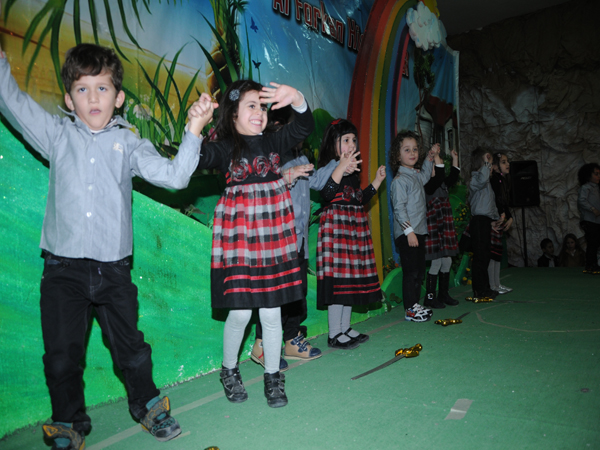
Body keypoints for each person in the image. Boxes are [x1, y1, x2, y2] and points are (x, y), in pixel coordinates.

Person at [0, 42, 213, 448]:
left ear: (118, 98)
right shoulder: (57, 135)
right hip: (62, 270)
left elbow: (175, 177)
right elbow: (12, 101)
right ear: (68, 99)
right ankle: (67, 422)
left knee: (131, 349)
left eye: (102, 88)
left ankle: (147, 405)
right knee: (61, 355)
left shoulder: (129, 143)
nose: (93, 97)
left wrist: (194, 130)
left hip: (113, 271)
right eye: (82, 89)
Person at [187, 80, 314, 408]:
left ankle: (273, 377)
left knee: (271, 312)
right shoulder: (225, 149)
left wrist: (297, 97)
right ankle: (229, 369)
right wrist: (194, 126)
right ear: (233, 115)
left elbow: (304, 125)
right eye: (251, 106)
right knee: (241, 312)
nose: (259, 112)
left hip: (273, 240)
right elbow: (195, 158)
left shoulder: (274, 141)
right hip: (241, 241)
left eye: (262, 106)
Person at [251, 107, 359, 366]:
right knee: (274, 293)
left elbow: (318, 181)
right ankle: (262, 344)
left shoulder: (299, 157)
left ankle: (291, 339)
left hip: (297, 240)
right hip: (277, 240)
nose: (300, 136)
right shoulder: (268, 157)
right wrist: (283, 177)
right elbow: (258, 188)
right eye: (295, 130)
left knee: (295, 294)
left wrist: (339, 164)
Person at [316, 119, 385, 348]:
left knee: (348, 282)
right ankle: (334, 333)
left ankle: (344, 328)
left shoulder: (353, 173)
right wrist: (340, 167)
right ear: (332, 144)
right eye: (345, 139)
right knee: (338, 283)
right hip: (337, 231)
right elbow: (327, 193)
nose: (351, 144)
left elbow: (360, 199)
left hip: (352, 231)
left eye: (353, 140)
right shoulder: (330, 168)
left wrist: (377, 181)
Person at [389, 130, 437, 322]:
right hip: (407, 233)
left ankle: (415, 305)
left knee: (419, 271)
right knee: (411, 272)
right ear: (397, 155)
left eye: (415, 149)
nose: (412, 153)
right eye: (407, 150)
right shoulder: (400, 181)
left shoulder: (415, 175)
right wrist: (409, 232)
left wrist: (430, 158)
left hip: (418, 232)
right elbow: (399, 208)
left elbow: (425, 176)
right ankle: (410, 309)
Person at [423, 148, 461, 309]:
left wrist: (454, 159)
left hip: (444, 229)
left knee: (447, 261)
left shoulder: (443, 184)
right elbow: (438, 176)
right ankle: (429, 297)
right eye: (435, 165)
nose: (439, 167)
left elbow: (453, 176)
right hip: (434, 229)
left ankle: (443, 294)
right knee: (436, 262)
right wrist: (435, 156)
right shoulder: (428, 186)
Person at [468, 148, 503, 299]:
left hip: (486, 221)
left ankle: (485, 288)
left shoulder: (486, 183)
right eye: (487, 163)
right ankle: (479, 290)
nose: (490, 167)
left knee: (486, 256)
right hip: (478, 221)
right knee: (480, 256)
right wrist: (486, 163)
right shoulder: (475, 179)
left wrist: (494, 220)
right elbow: (482, 179)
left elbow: (490, 204)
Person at [489, 152, 513, 294]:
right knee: (493, 254)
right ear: (496, 166)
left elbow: (504, 201)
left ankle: (497, 284)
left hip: (499, 219)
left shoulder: (502, 180)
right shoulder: (493, 180)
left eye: (507, 161)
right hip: (494, 220)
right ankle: (493, 285)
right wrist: (501, 215)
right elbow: (496, 200)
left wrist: (509, 217)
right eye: (503, 162)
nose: (507, 164)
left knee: (497, 254)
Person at [577, 163, 600, 274]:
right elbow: (581, 201)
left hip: (596, 221)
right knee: (592, 243)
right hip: (589, 220)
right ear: (588, 175)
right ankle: (592, 264)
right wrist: (592, 209)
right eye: (596, 174)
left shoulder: (597, 188)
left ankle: (590, 265)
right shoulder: (585, 188)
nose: (598, 176)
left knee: (594, 243)